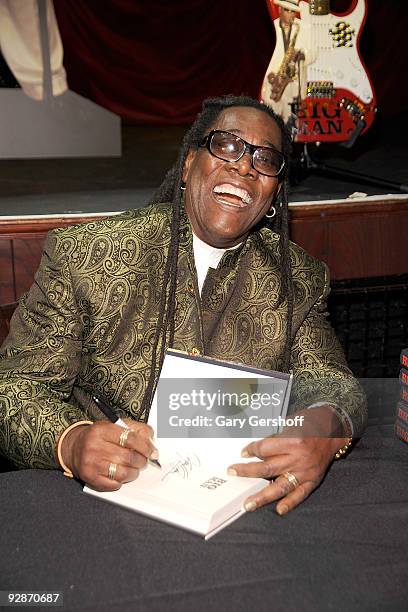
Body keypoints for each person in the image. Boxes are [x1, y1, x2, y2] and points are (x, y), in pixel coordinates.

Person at [0, 95, 366, 516]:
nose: (244, 166)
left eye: (266, 160)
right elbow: (13, 389)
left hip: (233, 502)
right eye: (226, 145)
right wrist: (71, 440)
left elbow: (332, 382)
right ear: (189, 164)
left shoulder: (297, 278)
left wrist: (320, 429)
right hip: (102, 504)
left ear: (273, 196)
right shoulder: (86, 256)